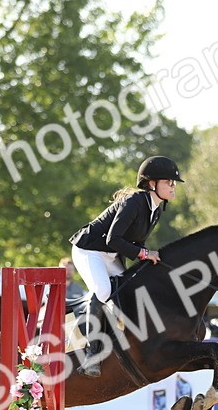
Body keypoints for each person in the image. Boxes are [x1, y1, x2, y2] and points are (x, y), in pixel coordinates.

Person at [69, 155, 184, 376]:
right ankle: (92, 355)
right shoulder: (134, 202)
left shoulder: (157, 209)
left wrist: (150, 260)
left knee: (132, 289)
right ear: (152, 184)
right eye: (168, 182)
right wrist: (143, 254)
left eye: (173, 183)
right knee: (103, 290)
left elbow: (136, 241)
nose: (173, 187)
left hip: (111, 255)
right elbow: (114, 239)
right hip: (89, 250)